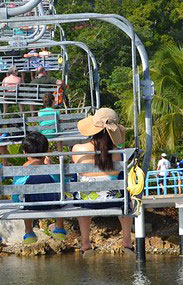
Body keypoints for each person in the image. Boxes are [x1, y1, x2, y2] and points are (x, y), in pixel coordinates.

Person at [72, 107, 134, 256]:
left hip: (88, 202)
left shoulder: (77, 148)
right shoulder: (119, 154)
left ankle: (86, 244)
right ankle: (127, 242)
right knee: (126, 198)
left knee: (81, 188)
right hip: (114, 200)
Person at [12, 131, 67, 244]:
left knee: (23, 199)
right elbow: (63, 184)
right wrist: (49, 166)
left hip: (29, 206)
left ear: (25, 152)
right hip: (53, 204)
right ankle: (59, 227)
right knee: (60, 194)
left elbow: (15, 196)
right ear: (46, 151)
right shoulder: (53, 170)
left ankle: (28, 231)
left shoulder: (21, 172)